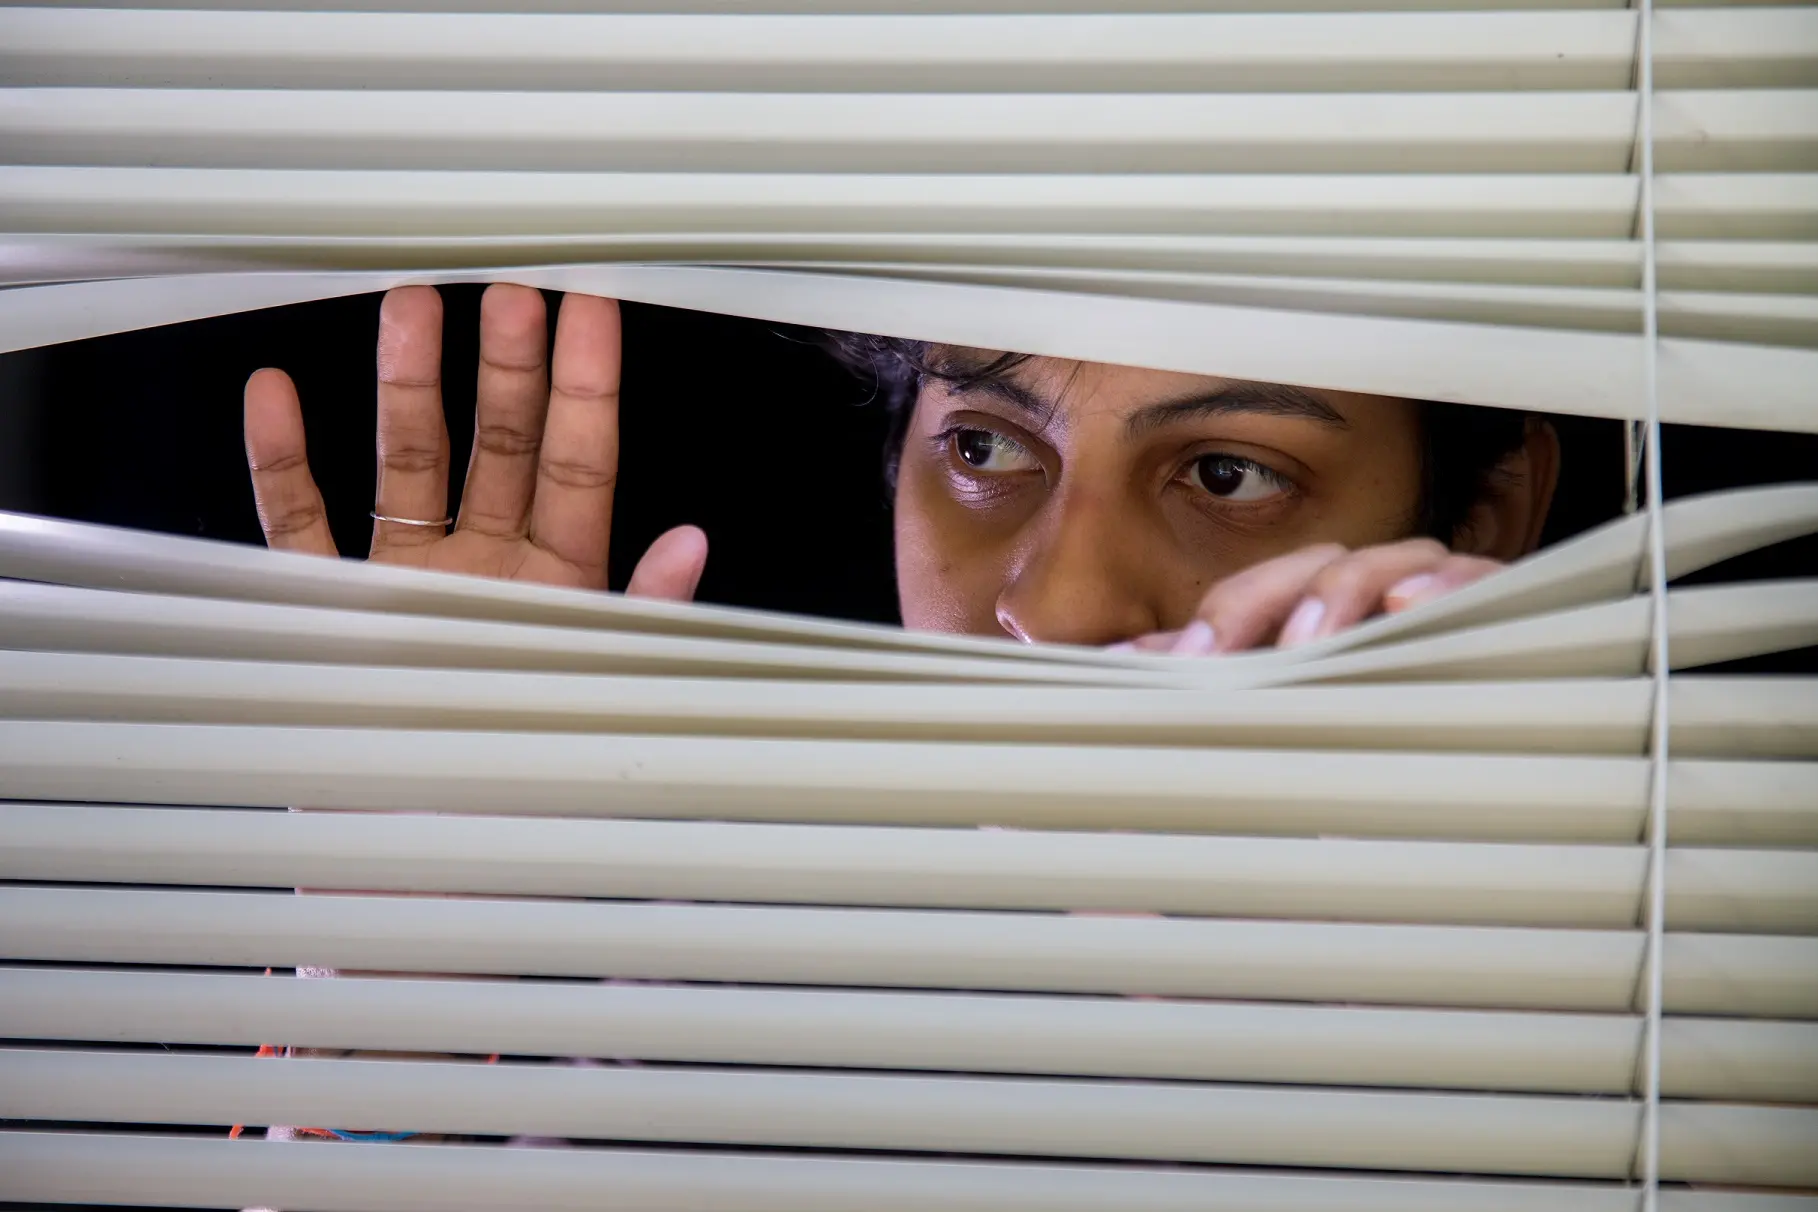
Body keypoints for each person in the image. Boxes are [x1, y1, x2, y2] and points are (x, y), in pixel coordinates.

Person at [243, 283, 1560, 651]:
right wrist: (399, 975)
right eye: (984, 448)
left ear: (1488, 512)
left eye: (1227, 476)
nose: (1052, 608)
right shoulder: (716, 1000)